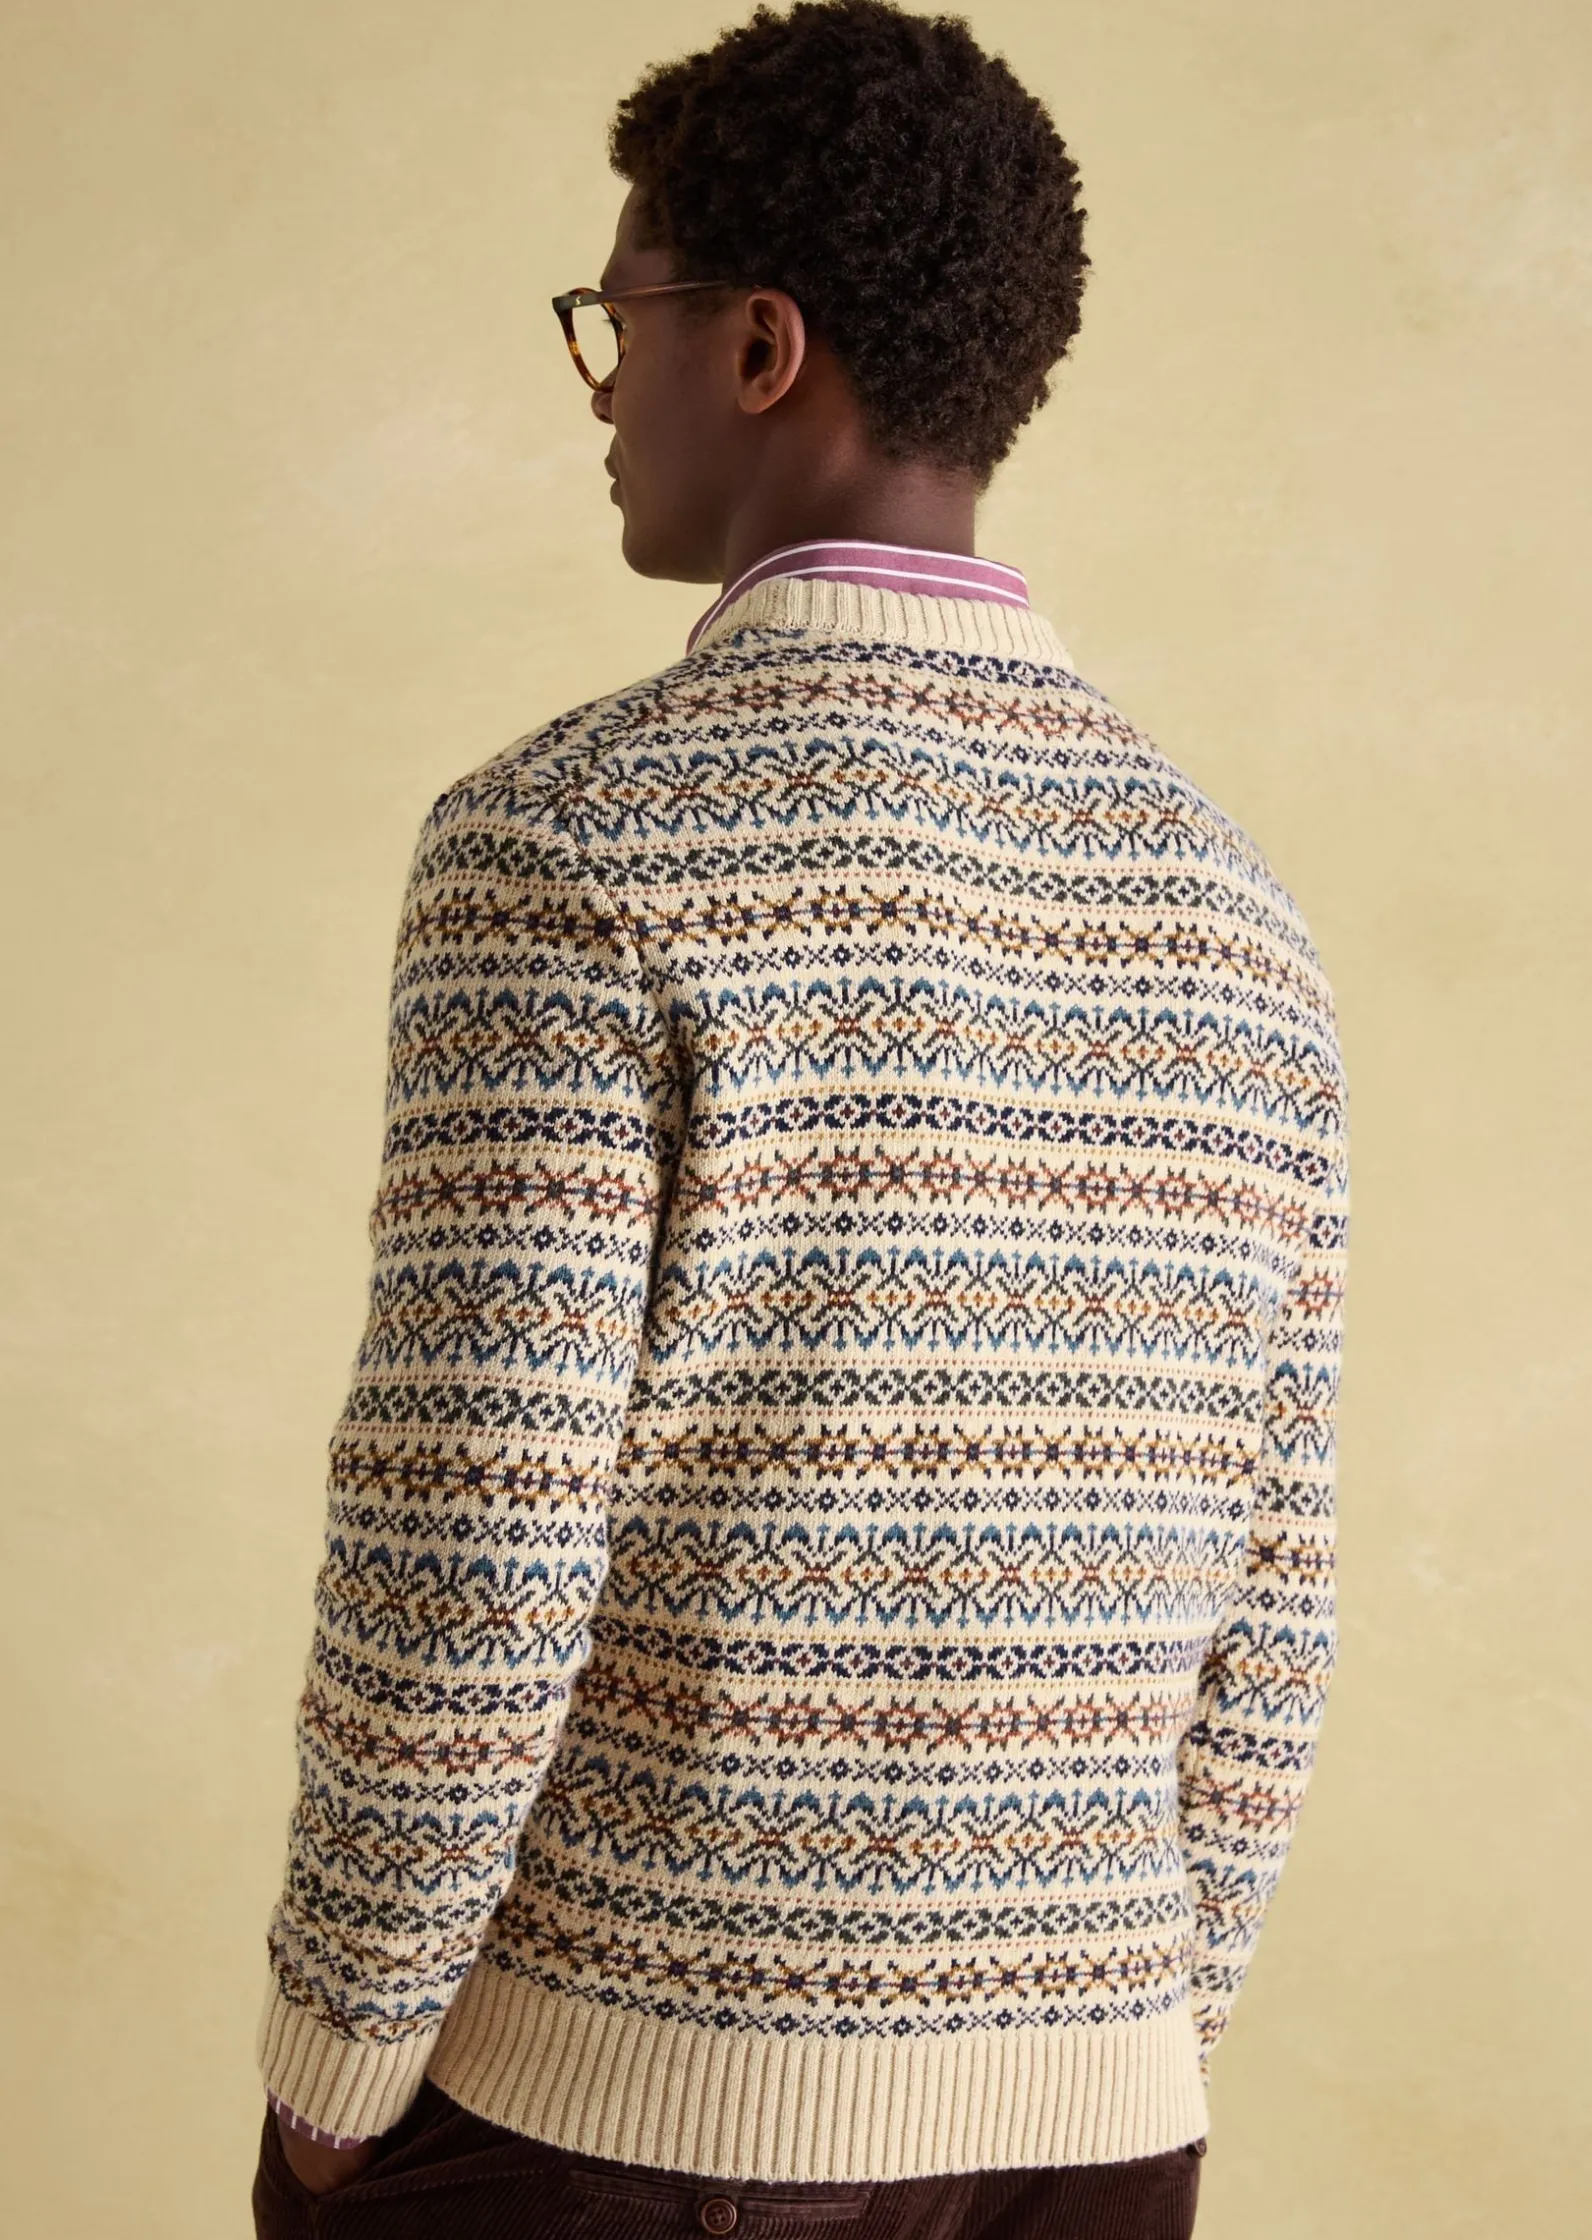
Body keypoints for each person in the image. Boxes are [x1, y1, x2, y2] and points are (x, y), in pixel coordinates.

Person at [251, 4, 1347, 2234]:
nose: (600, 387)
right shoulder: (1239, 914)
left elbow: (477, 1525)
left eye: (620, 318)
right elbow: (1276, 1588)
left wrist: (342, 2055)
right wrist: (1136, 2032)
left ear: (759, 345)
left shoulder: (570, 844)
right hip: (1092, 2134)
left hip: (620, 2124)